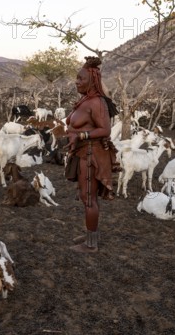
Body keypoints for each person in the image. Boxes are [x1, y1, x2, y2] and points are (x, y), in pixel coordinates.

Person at [65, 56, 119, 253]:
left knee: (89, 198)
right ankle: (91, 232)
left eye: (81, 79)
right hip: (82, 154)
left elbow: (105, 130)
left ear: (93, 80)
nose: (77, 82)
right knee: (85, 195)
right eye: (77, 78)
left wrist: (81, 135)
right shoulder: (85, 100)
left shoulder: (96, 102)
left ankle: (91, 244)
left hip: (91, 155)